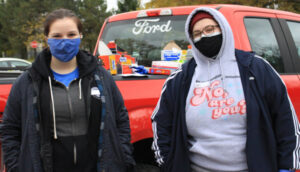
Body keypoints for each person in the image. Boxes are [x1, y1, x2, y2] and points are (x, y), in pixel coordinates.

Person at [151, 7, 300, 172]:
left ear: (223, 29)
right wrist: (168, 164)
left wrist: (287, 166)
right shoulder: (180, 79)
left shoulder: (255, 68)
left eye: (210, 29)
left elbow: (286, 121)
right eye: (197, 33)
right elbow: (161, 123)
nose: (204, 36)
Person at [1, 8, 135, 172]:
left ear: (80, 36)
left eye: (71, 35)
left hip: (96, 166)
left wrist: (123, 157)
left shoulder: (100, 77)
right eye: (57, 36)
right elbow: (10, 129)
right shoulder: (28, 81)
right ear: (47, 39)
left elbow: (121, 120)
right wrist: (16, 167)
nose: (64, 41)